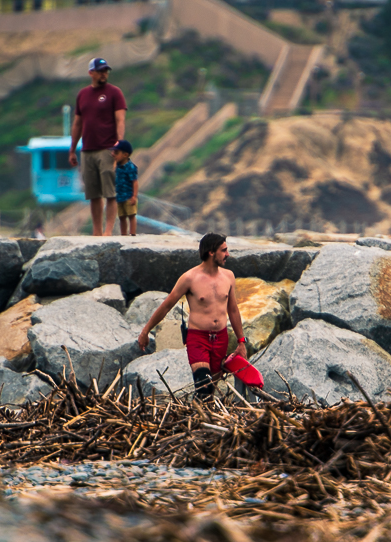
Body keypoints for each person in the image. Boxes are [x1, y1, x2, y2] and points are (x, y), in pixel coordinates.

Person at [136, 233, 262, 399]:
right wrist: (145, 331)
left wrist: (241, 342)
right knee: (204, 385)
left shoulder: (229, 276)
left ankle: (202, 420)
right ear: (211, 252)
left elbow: (233, 310)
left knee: (210, 393)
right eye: (224, 250)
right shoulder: (189, 278)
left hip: (221, 339)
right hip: (198, 338)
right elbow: (167, 305)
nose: (228, 254)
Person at [69, 58, 127, 237]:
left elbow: (120, 120)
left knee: (110, 192)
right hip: (87, 150)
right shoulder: (83, 95)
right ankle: (96, 231)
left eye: (106, 71)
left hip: (107, 149)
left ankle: (108, 230)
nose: (104, 74)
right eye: (100, 71)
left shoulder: (114, 93)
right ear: (91, 73)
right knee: (93, 194)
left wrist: (119, 146)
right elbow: (77, 123)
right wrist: (72, 149)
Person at [112, 140, 138, 236]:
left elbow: (135, 182)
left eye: (116, 153)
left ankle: (132, 233)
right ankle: (123, 234)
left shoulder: (130, 167)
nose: (114, 154)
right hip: (120, 196)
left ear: (125, 155)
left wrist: (134, 196)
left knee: (131, 215)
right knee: (122, 216)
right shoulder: (118, 166)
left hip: (128, 195)